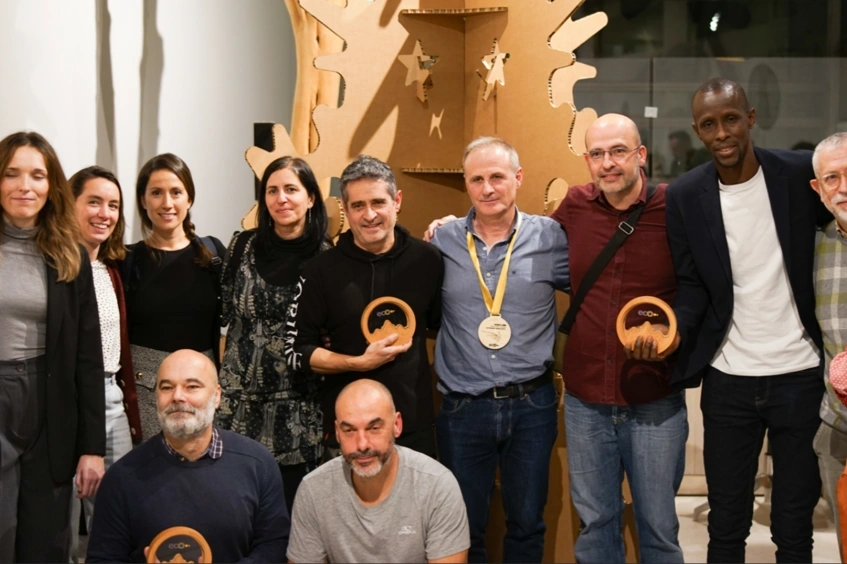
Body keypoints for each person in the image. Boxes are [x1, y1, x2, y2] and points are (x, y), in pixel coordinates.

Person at [665, 78, 825, 562]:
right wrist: (673, 331)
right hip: (728, 377)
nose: (722, 133)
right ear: (698, 130)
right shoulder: (685, 194)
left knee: (794, 526)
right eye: (709, 124)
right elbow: (691, 283)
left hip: (800, 374)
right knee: (726, 526)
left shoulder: (799, 174)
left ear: (750, 118)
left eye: (731, 119)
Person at [548, 114, 687, 563]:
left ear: (640, 155)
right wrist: (459, 223)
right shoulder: (575, 204)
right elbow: (521, 238)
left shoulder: (674, 207)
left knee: (658, 529)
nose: (607, 163)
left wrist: (676, 335)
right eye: (597, 154)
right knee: (595, 526)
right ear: (587, 160)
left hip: (654, 398)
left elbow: (704, 285)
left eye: (618, 151)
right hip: (586, 399)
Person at [427, 137, 569, 563]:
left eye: (497, 177)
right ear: (466, 184)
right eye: (477, 179)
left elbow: (595, 290)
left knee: (526, 524)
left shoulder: (551, 238)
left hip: (532, 406)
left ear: (518, 178)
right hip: (462, 408)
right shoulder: (442, 241)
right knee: (461, 528)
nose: (487, 188)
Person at [285, 155, 443, 458]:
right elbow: (297, 352)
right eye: (358, 206)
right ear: (345, 209)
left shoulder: (428, 260)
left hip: (414, 424)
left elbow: (439, 324)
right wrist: (358, 363)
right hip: (348, 429)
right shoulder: (320, 270)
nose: (369, 215)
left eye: (378, 202)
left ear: (397, 201)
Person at [0, 131, 106, 562]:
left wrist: (92, 447)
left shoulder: (70, 256)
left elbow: (88, 358)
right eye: (12, 174)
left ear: (51, 185)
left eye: (37, 175)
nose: (25, 186)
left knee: (46, 541)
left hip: (51, 408)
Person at [86, 349, 290, 563]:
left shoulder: (257, 463)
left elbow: (274, 543)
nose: (177, 396)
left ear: (217, 396)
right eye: (166, 387)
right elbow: (103, 559)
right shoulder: (122, 477)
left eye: (192, 386)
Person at [217, 156, 330, 516]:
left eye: (291, 189)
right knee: (236, 514)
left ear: (310, 198)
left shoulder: (327, 258)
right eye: (272, 190)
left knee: (292, 517)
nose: (281, 198)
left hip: (298, 412)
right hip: (237, 408)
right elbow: (222, 313)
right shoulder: (241, 247)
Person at [287, 379, 469, 563]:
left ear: (397, 425)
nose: (362, 445)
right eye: (349, 430)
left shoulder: (437, 485)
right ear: (337, 432)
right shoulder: (314, 489)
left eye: (374, 428)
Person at [68, 166, 143, 561]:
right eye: (94, 202)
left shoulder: (112, 269)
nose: (105, 213)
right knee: (62, 522)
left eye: (113, 205)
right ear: (69, 204)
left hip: (113, 399)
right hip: (66, 402)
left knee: (117, 516)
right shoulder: (57, 268)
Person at [123, 153, 225, 441]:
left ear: (189, 198)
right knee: (151, 465)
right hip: (147, 392)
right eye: (156, 193)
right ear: (143, 201)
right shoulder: (127, 260)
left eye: (176, 192)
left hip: (201, 389)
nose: (167, 203)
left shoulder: (213, 254)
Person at [809, 132, 847, 560]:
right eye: (831, 178)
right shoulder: (814, 247)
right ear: (818, 189)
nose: (843, 188)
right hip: (838, 428)